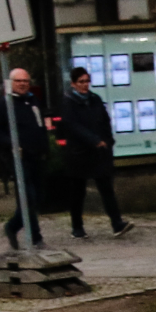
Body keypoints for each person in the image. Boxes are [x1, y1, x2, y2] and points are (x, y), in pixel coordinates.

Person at [0, 66, 51, 249]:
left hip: (37, 155)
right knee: (28, 197)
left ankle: (13, 226)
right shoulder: (5, 104)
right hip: (18, 157)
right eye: (19, 81)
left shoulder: (33, 101)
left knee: (38, 198)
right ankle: (35, 237)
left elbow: (40, 126)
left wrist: (46, 147)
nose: (23, 84)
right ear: (11, 83)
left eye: (26, 81)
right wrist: (11, 143)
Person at [53, 66, 127, 239]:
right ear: (73, 84)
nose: (85, 85)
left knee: (106, 188)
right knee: (78, 192)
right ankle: (77, 226)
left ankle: (117, 223)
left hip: (99, 153)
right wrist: (93, 140)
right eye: (81, 82)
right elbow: (72, 126)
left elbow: (105, 121)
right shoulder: (68, 102)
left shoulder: (95, 99)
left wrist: (108, 141)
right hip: (79, 153)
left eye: (87, 81)